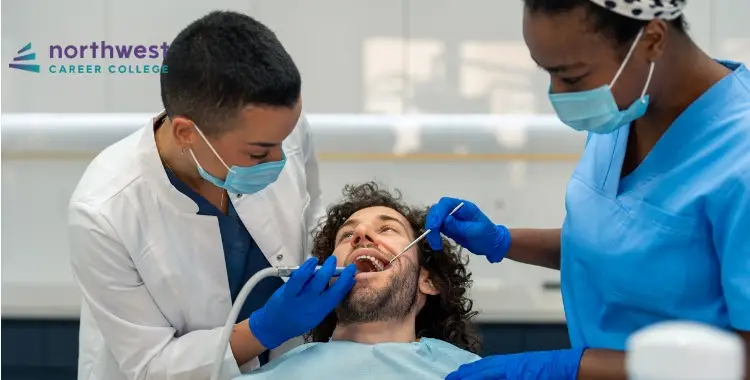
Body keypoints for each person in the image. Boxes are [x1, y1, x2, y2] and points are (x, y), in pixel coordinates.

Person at [426, 1, 750, 379]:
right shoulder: (624, 110)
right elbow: (625, 248)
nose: (558, 94)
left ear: (653, 39)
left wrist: (572, 369)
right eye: (547, 72)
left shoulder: (738, 157)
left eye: (572, 76)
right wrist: (501, 240)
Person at [67, 11, 356, 380]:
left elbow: (310, 215)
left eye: (286, 139)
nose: (280, 161)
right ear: (187, 133)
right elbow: (151, 365)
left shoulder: (272, 128)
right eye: (258, 153)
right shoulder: (102, 212)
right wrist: (264, 329)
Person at [239, 182, 482, 379]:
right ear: (327, 276)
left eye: (387, 229)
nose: (360, 234)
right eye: (346, 234)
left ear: (428, 280)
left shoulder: (471, 373)